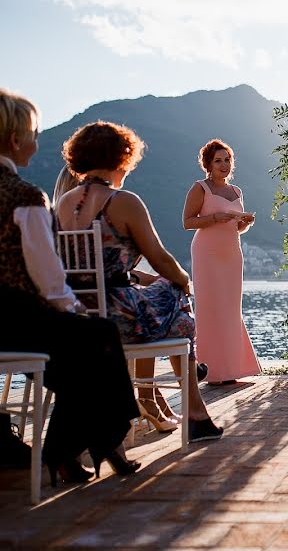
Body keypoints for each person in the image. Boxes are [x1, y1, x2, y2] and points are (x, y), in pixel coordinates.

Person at [0, 89, 140, 483]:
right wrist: (75, 310)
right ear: (15, 140)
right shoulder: (25, 198)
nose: (36, 142)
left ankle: (77, 449)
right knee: (98, 340)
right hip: (16, 320)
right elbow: (49, 279)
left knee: (89, 352)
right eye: (34, 133)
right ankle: (94, 443)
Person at [56, 121, 224, 443]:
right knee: (176, 299)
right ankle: (195, 411)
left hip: (79, 315)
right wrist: (184, 280)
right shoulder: (122, 202)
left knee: (174, 314)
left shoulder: (64, 204)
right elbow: (160, 258)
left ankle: (180, 407)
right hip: (117, 315)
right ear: (122, 157)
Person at [182, 139, 259, 385]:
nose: (224, 165)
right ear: (208, 164)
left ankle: (232, 369)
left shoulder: (237, 192)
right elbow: (187, 221)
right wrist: (215, 217)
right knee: (209, 308)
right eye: (218, 160)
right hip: (206, 252)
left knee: (230, 309)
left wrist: (244, 223)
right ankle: (210, 370)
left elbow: (236, 228)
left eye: (227, 160)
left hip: (231, 254)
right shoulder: (199, 188)